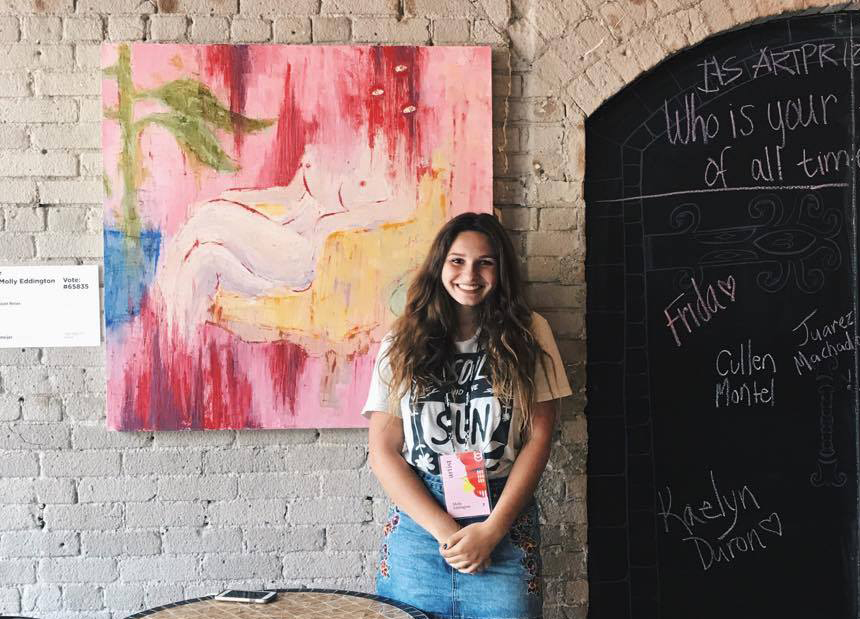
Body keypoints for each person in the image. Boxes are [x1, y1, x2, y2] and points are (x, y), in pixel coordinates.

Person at [363, 212, 572, 619]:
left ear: (501, 269)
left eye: (485, 262)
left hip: (502, 517)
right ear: (439, 265)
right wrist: (448, 533)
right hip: (420, 526)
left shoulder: (530, 332)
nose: (470, 274)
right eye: (457, 261)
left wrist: (492, 531)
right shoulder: (401, 340)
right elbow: (383, 450)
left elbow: (539, 437)